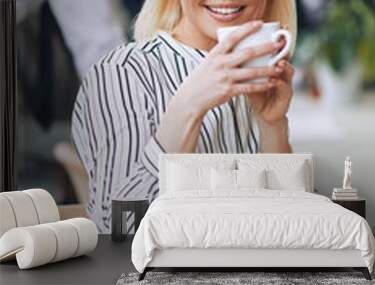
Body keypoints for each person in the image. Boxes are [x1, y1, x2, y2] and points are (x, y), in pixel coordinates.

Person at [72, 0, 297, 233]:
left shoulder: (258, 77)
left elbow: (291, 225)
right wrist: (189, 106)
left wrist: (273, 125)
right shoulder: (120, 72)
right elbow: (120, 228)